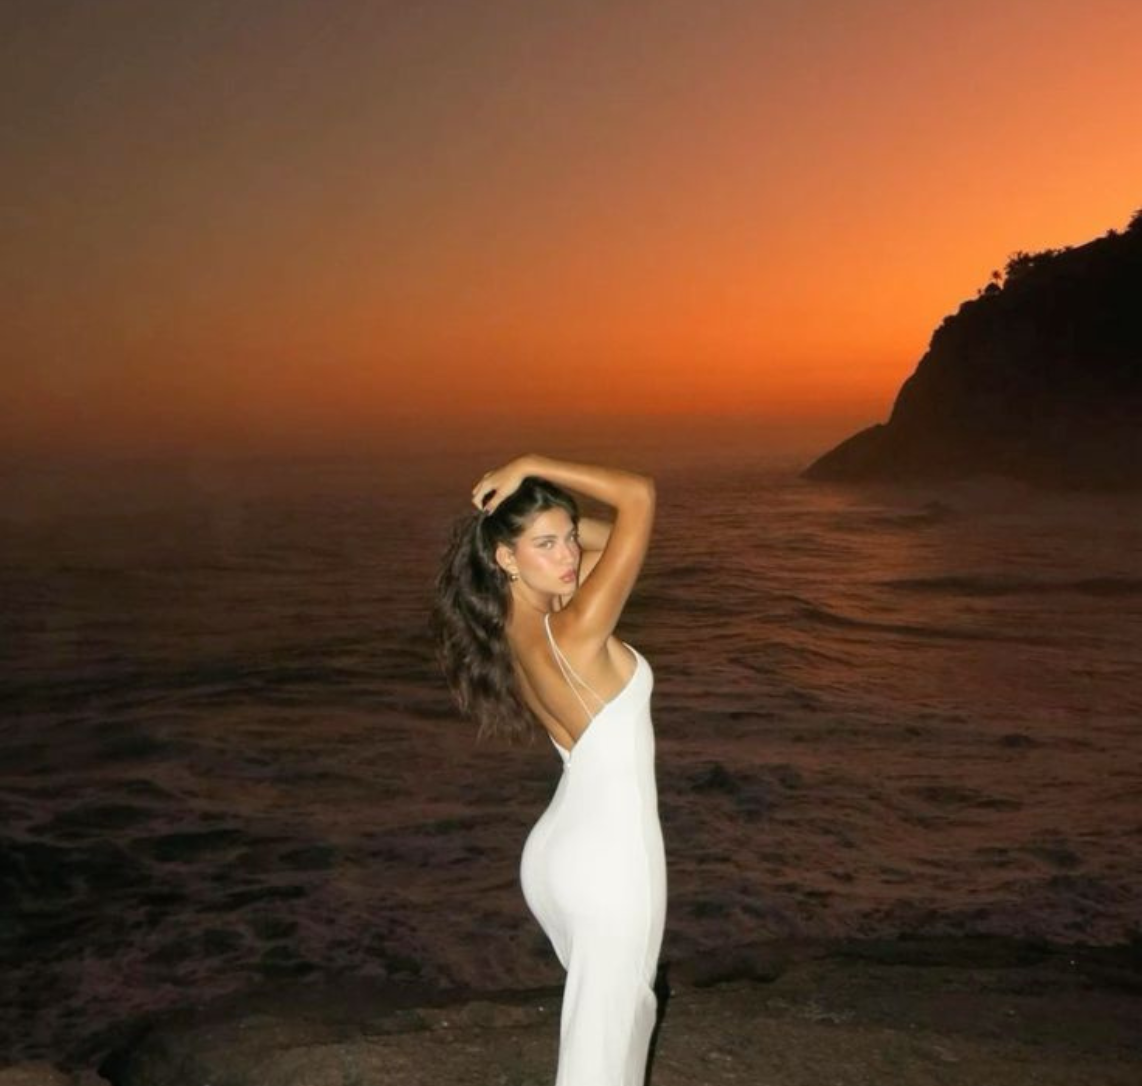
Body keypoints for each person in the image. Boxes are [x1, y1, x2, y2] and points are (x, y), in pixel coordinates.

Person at [433, 452, 666, 1086]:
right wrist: (532, 463)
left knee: (607, 1038)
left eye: (568, 538)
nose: (567, 555)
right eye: (546, 544)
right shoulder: (574, 630)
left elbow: (612, 539)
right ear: (506, 559)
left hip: (563, 855)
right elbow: (639, 498)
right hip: (611, 862)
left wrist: (546, 523)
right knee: (601, 1060)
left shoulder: (521, 629)